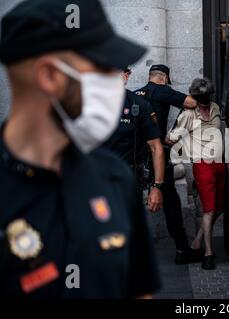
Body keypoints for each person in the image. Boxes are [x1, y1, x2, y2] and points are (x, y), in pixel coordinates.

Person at [0, 0, 160, 298]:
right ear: (50, 76)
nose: (116, 84)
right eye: (102, 69)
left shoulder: (115, 179)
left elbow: (138, 290)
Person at [135, 65, 202, 264]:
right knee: (171, 202)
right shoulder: (163, 90)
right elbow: (192, 103)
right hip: (157, 153)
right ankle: (182, 250)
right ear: (164, 78)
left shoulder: (136, 93)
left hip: (135, 155)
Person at [166, 78, 225, 270]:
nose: (206, 100)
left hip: (220, 163)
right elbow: (170, 139)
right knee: (208, 210)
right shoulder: (188, 115)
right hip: (202, 165)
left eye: (208, 96)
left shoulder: (215, 108)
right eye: (202, 97)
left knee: (219, 207)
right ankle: (208, 253)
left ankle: (196, 243)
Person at [104, 68, 164, 212]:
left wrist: (157, 187)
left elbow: (156, 148)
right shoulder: (87, 103)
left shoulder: (138, 105)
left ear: (126, 76)